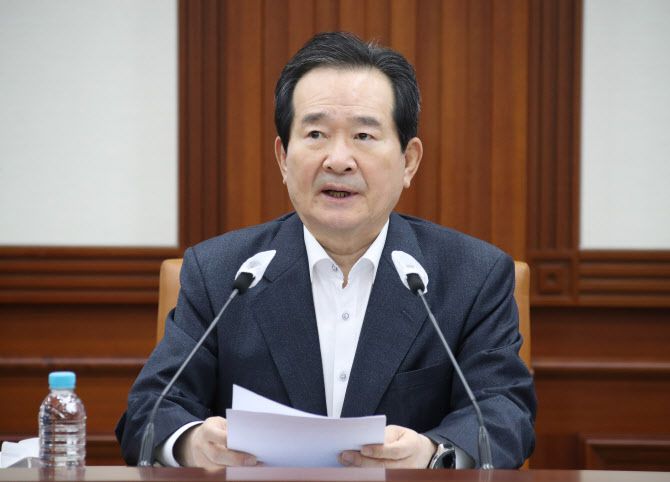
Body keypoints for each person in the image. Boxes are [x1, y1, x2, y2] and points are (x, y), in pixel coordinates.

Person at [116, 31, 536, 469]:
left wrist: (433, 456)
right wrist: (190, 443)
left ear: (408, 161)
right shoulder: (223, 272)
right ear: (283, 158)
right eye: (315, 133)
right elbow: (151, 410)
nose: (338, 160)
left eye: (364, 136)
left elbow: (505, 412)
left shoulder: (471, 275)